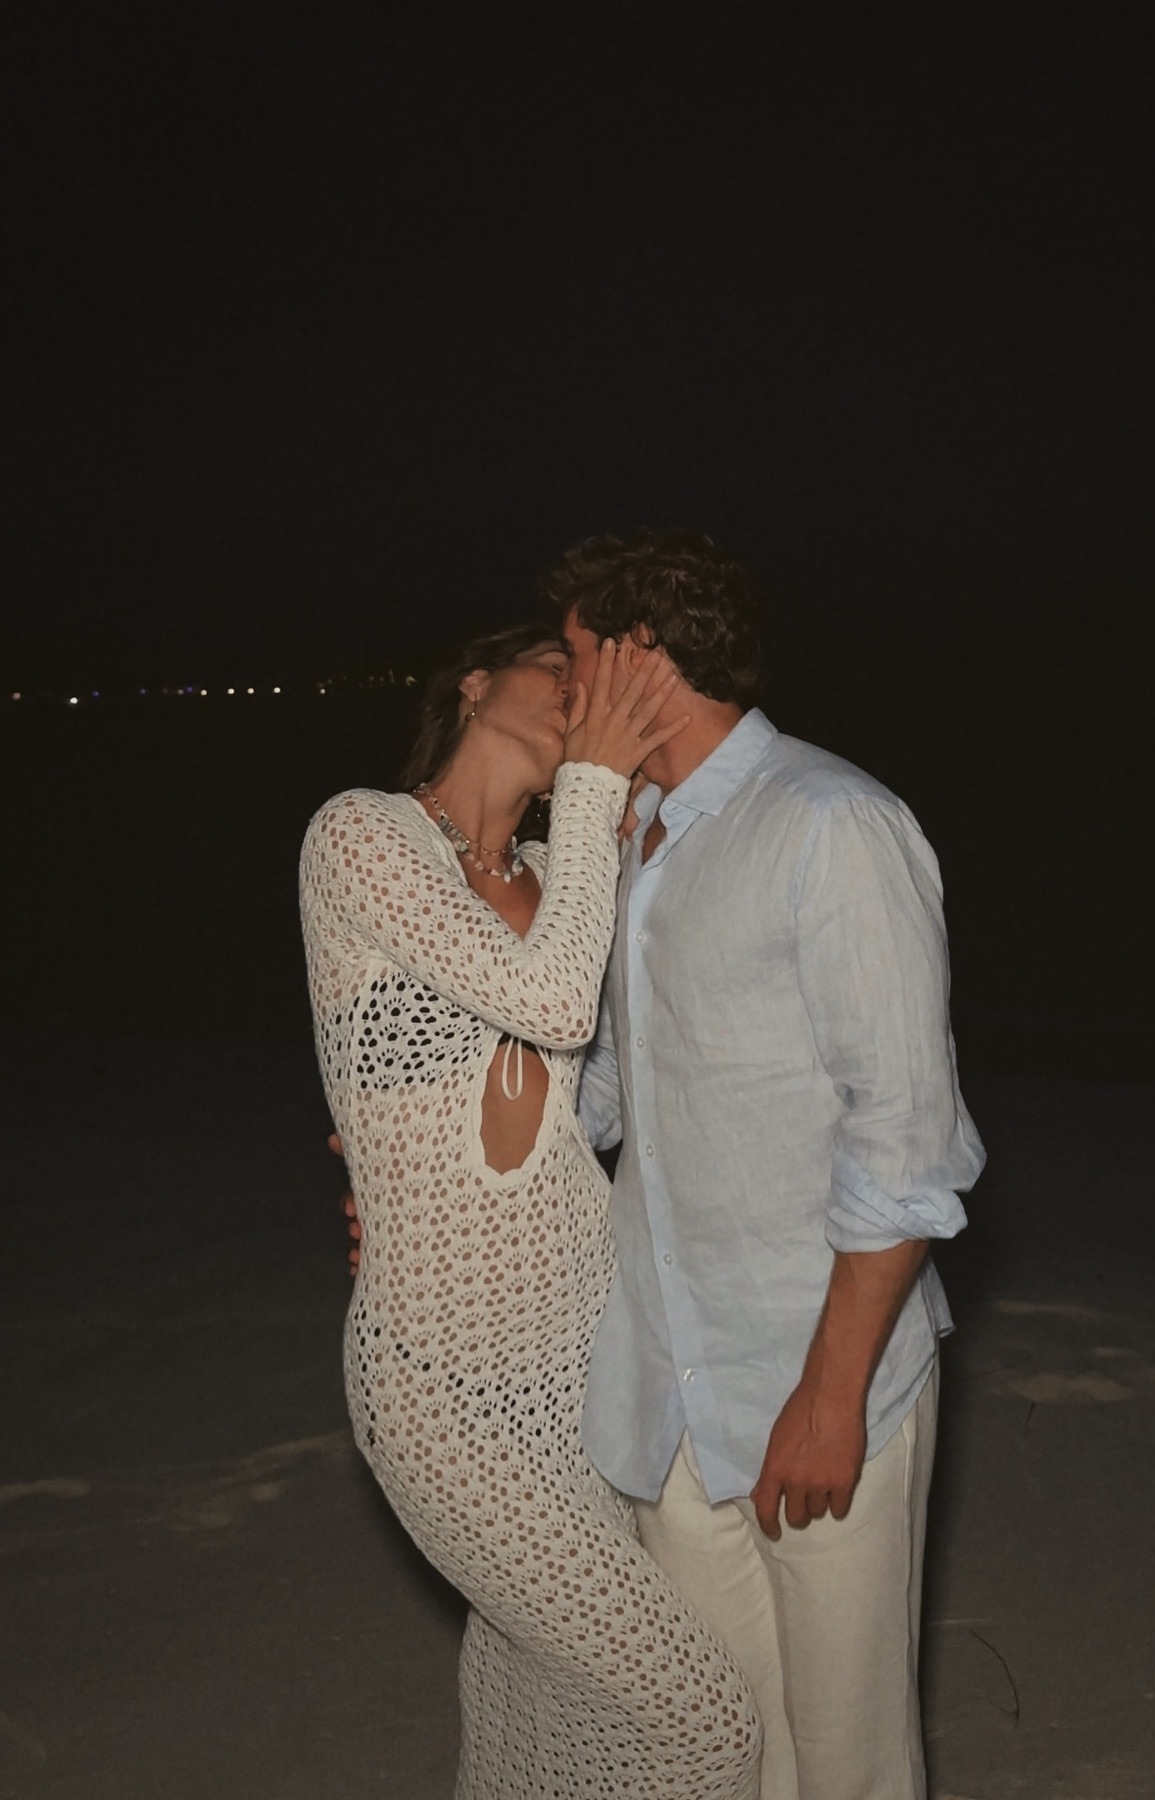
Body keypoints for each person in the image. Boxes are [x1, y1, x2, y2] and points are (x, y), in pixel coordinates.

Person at [545, 531, 987, 1800]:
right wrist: (429, 1155)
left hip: (817, 1374)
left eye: (575, 661)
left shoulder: (832, 824)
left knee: (849, 1762)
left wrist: (830, 1393)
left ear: (641, 655)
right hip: (668, 1386)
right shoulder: (626, 838)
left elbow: (906, 1144)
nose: (561, 692)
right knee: (719, 1749)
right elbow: (604, 1096)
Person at [300, 622, 762, 1800]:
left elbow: (603, 1091)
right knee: (705, 1727)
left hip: (584, 1361)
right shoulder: (360, 835)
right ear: (472, 683)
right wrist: (598, 785)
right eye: (555, 671)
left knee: (531, 1690)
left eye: (591, 683)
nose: (577, 693)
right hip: (441, 1385)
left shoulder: (565, 874)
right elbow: (551, 1002)